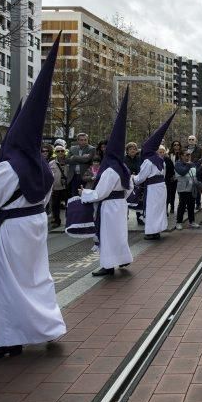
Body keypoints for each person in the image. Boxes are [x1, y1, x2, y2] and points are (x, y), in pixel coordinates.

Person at [0, 36, 66, 359]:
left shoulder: (7, 168)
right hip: (35, 226)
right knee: (35, 278)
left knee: (5, 284)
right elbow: (47, 192)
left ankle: (5, 339)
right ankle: (45, 326)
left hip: (10, 231)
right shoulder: (41, 166)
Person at [81, 89, 133, 277]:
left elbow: (101, 192)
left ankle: (108, 265)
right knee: (119, 234)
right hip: (120, 204)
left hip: (110, 206)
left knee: (108, 235)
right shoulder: (123, 168)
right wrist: (121, 197)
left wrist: (84, 194)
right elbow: (130, 187)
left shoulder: (110, 169)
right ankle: (123, 258)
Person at [134, 111, 176, 240]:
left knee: (152, 210)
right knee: (159, 209)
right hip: (161, 187)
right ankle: (157, 230)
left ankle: (151, 232)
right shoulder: (160, 160)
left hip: (152, 188)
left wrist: (132, 178)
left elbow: (141, 178)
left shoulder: (148, 161)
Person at [174, 151, 200, 230]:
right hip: (182, 188)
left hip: (191, 187)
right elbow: (182, 172)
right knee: (182, 205)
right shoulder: (178, 164)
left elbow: (195, 174)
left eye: (189, 155)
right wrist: (188, 165)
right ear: (181, 156)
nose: (188, 157)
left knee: (191, 205)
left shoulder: (192, 164)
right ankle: (179, 222)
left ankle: (192, 221)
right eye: (186, 155)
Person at [48, 145, 69, 228]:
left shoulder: (69, 161)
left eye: (62, 151)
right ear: (55, 153)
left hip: (66, 187)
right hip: (56, 188)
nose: (60, 152)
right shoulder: (51, 163)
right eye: (58, 151)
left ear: (65, 152)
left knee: (68, 205)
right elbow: (49, 177)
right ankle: (57, 221)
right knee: (55, 205)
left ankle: (69, 221)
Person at [124, 141, 144, 226]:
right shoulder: (123, 159)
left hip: (138, 182)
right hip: (127, 182)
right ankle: (125, 218)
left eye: (134, 149)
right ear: (127, 150)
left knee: (139, 201)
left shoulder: (140, 158)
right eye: (130, 149)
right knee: (126, 201)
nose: (132, 150)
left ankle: (139, 218)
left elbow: (143, 169)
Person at [167, 140, 183, 214]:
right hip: (172, 176)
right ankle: (172, 207)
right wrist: (172, 175)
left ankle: (182, 206)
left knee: (181, 193)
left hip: (180, 176)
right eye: (175, 145)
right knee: (171, 192)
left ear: (180, 146)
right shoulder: (169, 154)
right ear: (172, 146)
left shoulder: (182, 154)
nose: (176, 146)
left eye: (178, 145)